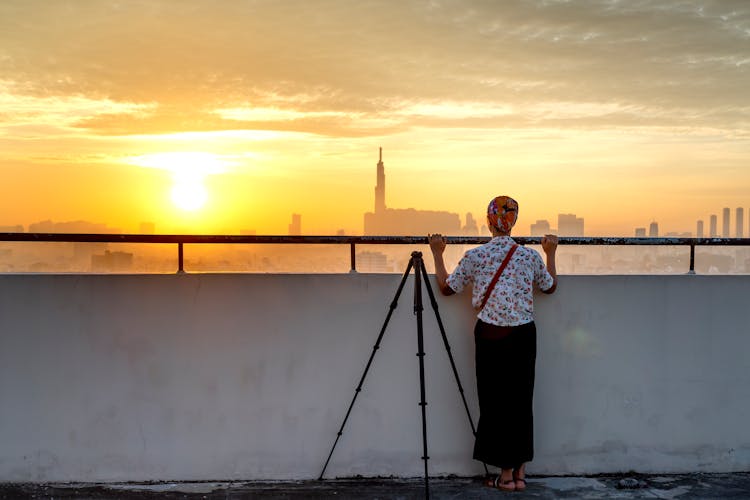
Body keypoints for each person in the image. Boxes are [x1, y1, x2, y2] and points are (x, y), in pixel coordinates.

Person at [428, 195, 558, 493]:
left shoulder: (476, 256)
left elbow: (448, 288)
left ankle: (506, 476)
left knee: (495, 403)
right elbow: (550, 286)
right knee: (521, 401)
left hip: (490, 335)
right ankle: (521, 474)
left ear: (489, 222)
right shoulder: (529, 257)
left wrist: (437, 252)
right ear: (513, 221)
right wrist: (550, 252)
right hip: (524, 334)